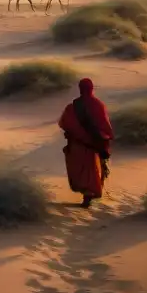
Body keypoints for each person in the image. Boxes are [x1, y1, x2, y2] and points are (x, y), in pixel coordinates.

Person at [58, 78, 114, 208]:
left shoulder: (73, 106)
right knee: (92, 170)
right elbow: (105, 126)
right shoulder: (99, 105)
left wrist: (75, 133)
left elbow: (64, 123)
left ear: (80, 89)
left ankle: (87, 196)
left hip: (78, 144)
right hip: (93, 145)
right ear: (92, 88)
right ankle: (89, 195)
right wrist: (104, 139)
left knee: (81, 170)